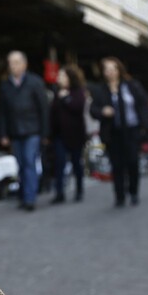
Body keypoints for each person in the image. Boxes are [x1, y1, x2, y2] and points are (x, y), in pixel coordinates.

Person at [90, 57, 148, 207]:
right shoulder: (101, 90)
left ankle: (133, 191)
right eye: (107, 69)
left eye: (113, 68)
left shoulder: (131, 86)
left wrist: (146, 125)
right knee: (116, 165)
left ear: (119, 70)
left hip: (131, 130)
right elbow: (93, 109)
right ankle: (119, 195)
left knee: (132, 162)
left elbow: (143, 104)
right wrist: (103, 111)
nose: (110, 72)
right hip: (113, 132)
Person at [0, 51, 49, 211]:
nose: (14, 66)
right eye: (11, 62)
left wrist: (45, 133)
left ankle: (30, 198)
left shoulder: (35, 82)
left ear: (24, 64)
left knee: (29, 161)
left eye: (17, 62)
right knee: (20, 165)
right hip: (15, 131)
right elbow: (2, 112)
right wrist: (3, 134)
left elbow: (44, 109)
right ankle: (24, 194)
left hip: (32, 130)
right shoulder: (5, 86)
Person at [49, 65, 87, 203]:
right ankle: (59, 192)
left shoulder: (78, 92)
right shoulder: (56, 92)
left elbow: (77, 108)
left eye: (62, 76)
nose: (59, 78)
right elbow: (53, 113)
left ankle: (79, 189)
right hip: (59, 135)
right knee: (59, 163)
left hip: (75, 134)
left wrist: (66, 98)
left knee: (77, 163)